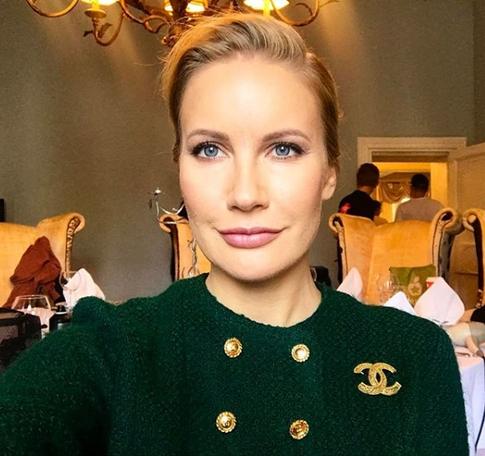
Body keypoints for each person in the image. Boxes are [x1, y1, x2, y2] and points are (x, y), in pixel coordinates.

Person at [0, 13, 468, 455]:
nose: (245, 195)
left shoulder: (415, 354)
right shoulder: (113, 350)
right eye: (209, 149)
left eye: (284, 149)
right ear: (179, 167)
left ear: (330, 172)